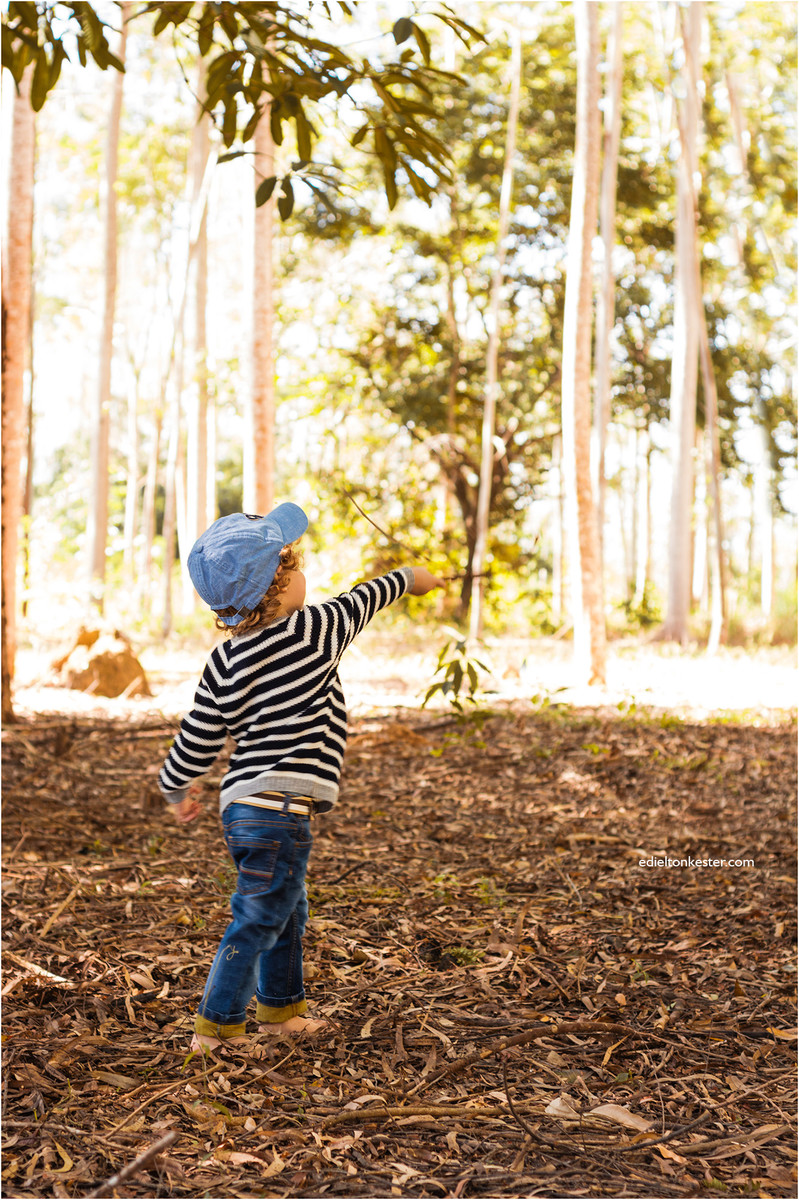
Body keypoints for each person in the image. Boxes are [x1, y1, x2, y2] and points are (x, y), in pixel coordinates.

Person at [156, 502, 445, 1052]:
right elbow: (367, 596)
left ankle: (281, 1011)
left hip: (243, 808)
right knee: (261, 915)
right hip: (279, 809)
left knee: (285, 908)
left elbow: (197, 734)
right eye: (292, 567)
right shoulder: (313, 628)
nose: (303, 575)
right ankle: (217, 1026)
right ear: (273, 586)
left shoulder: (224, 660)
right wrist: (414, 579)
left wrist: (177, 785)